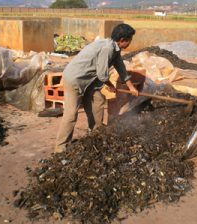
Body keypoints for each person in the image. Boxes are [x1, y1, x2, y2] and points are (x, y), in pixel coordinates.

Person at [55, 23, 139, 153]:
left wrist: (131, 87)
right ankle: (61, 147)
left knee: (98, 101)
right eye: (130, 40)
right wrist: (111, 86)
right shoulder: (107, 49)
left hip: (89, 80)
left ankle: (94, 134)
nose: (130, 43)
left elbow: (121, 69)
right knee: (71, 114)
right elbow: (102, 74)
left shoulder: (115, 49)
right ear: (122, 40)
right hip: (75, 79)